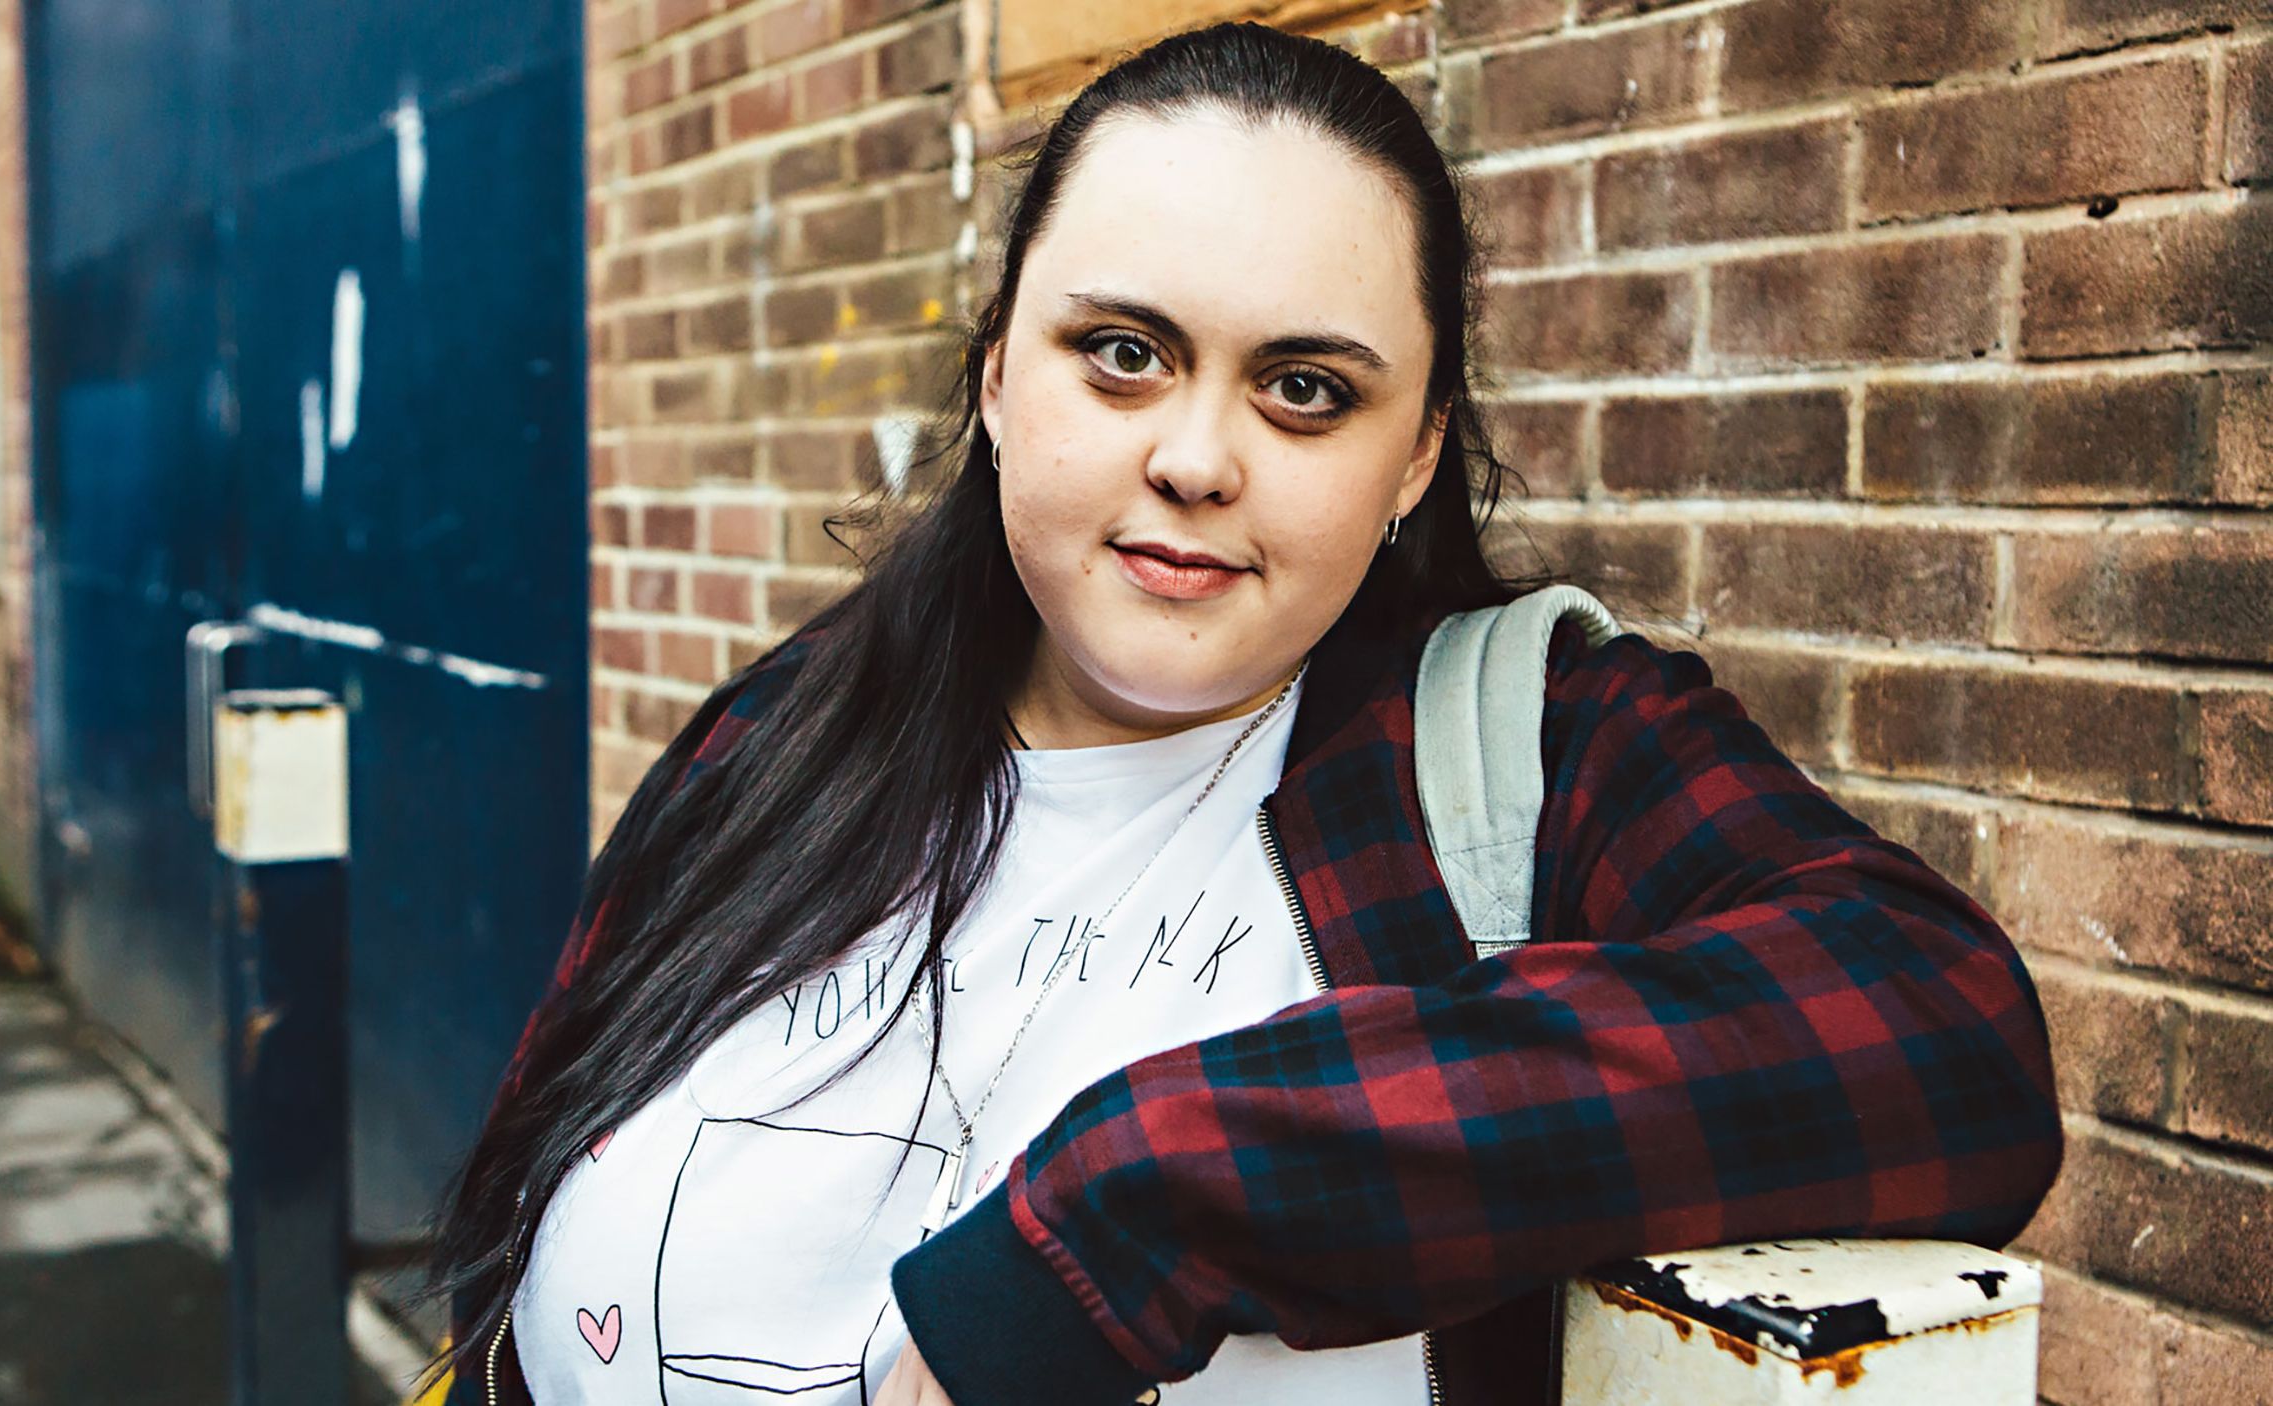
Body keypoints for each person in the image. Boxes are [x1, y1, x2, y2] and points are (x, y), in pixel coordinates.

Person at [420, 21, 2064, 1406]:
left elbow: (1945, 1036)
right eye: (1122, 352)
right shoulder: (777, 742)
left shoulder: (1519, 757)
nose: (1198, 456)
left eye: (1306, 390)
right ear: (999, 376)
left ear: (1417, 452)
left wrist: (1145, 1201)